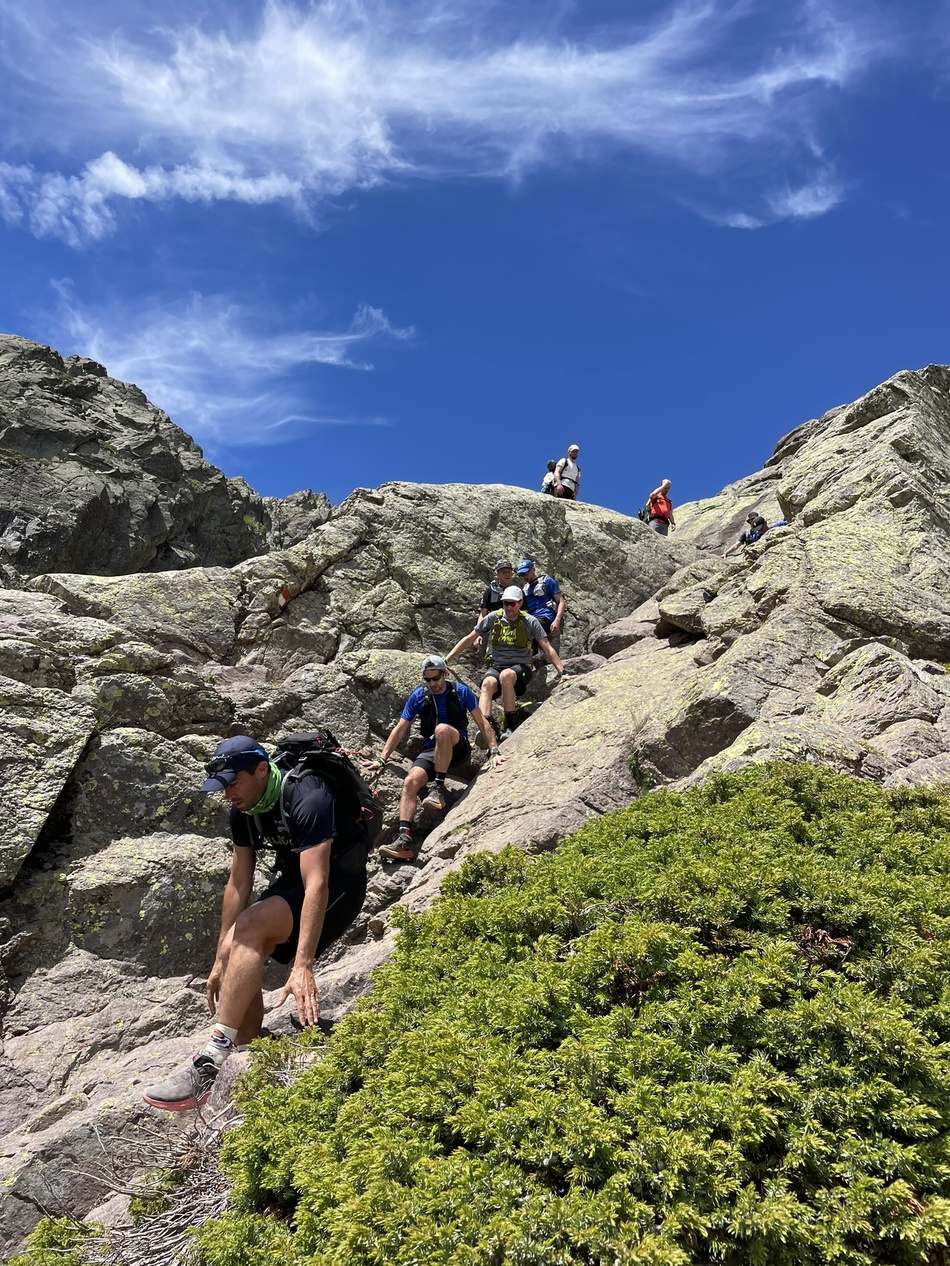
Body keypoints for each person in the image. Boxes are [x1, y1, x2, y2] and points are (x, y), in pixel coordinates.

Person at [142, 735, 367, 1112]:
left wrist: (303, 964)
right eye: (223, 787)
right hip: (294, 880)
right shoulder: (244, 810)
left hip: (338, 885)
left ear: (261, 770)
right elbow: (238, 883)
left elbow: (317, 883)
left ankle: (211, 1060)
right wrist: (220, 955)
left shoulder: (308, 795)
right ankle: (248, 1052)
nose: (228, 794)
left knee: (248, 927)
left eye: (234, 783)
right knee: (234, 944)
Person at [376, 656, 498, 862]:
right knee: (410, 782)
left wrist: (495, 750)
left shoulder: (461, 692)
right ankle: (404, 841)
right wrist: (382, 759)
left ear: (445, 673)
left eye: (436, 678)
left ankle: (438, 789)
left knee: (441, 729)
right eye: (428, 679)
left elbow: (482, 722)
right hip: (432, 750)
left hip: (457, 748)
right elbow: (400, 728)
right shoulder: (419, 696)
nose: (432, 683)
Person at [445, 586, 564, 739]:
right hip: (497, 666)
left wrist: (563, 672)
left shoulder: (530, 621)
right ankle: (485, 728)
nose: (508, 607)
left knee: (506, 675)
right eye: (505, 603)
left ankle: (510, 725)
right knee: (487, 683)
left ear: (520, 603)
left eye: (512, 603)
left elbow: (547, 648)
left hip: (520, 668)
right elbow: (469, 638)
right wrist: (446, 660)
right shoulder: (493, 617)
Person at [516, 558, 566, 642]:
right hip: (530, 618)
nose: (524, 576)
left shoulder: (547, 581)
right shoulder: (525, 589)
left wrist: (557, 621)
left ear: (533, 569)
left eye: (526, 573)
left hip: (545, 617)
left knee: (529, 630)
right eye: (522, 575)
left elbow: (561, 601)